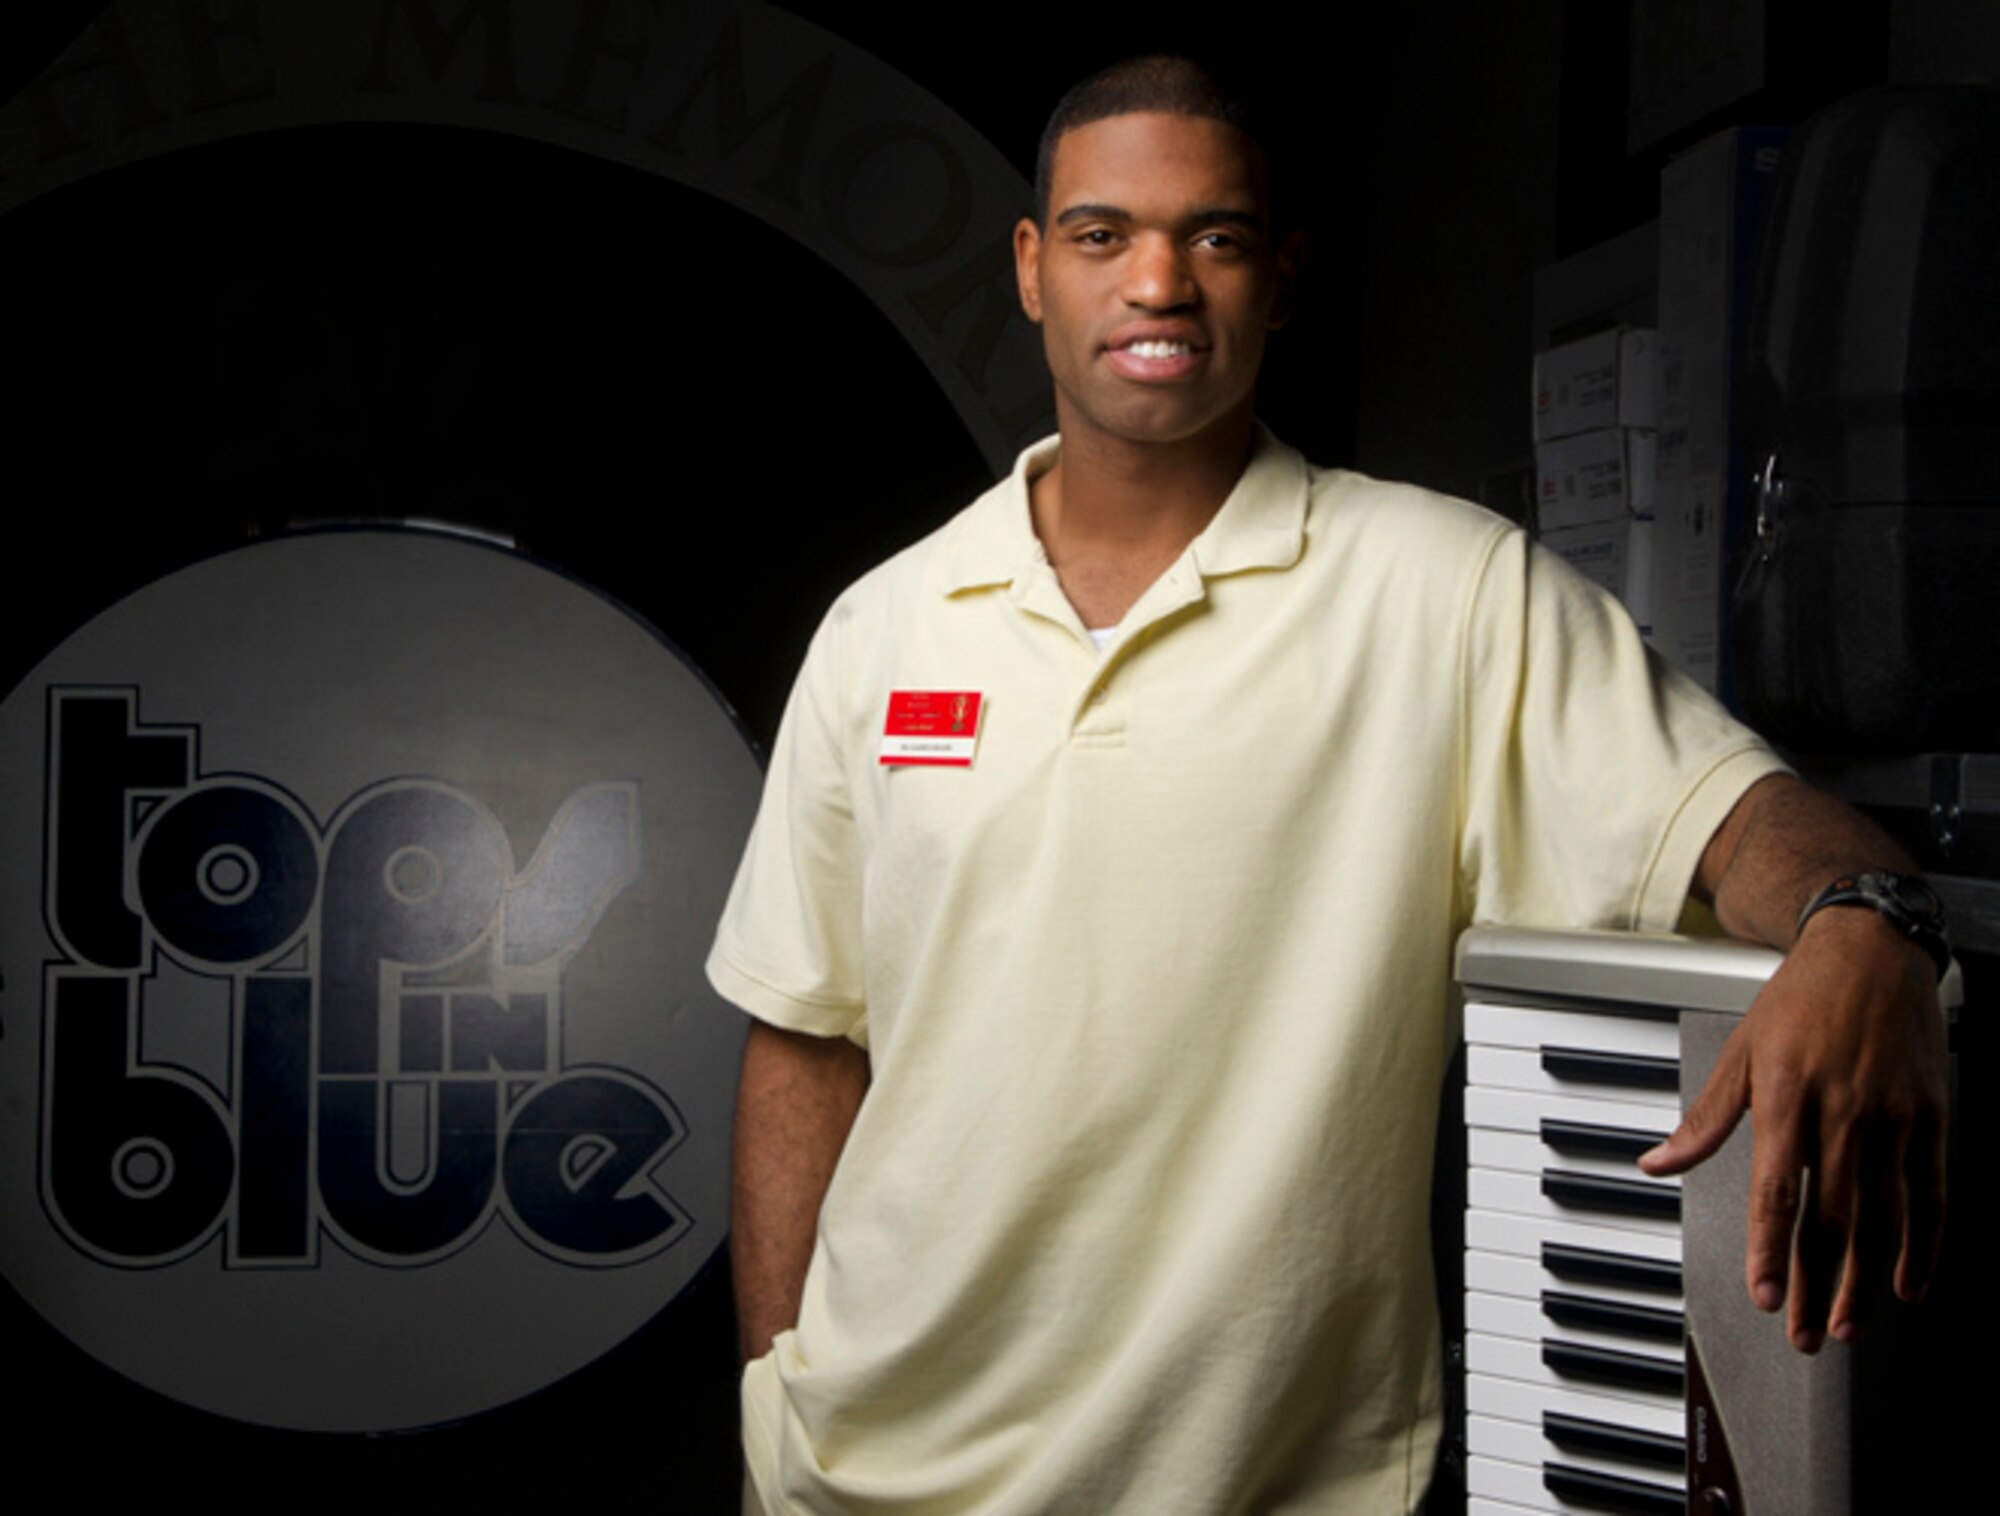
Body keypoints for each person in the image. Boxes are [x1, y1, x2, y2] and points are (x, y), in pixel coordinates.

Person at [709, 55, 1949, 1515]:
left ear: (1280, 280)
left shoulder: (1445, 594)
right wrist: (775, 1403)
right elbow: (806, 1042)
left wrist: (1864, 920)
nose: (1159, 282)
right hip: (866, 1474)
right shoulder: (884, 625)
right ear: (1035, 270)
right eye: (1105, 235)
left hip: (1264, 1485)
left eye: (1214, 238)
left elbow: (1748, 825)